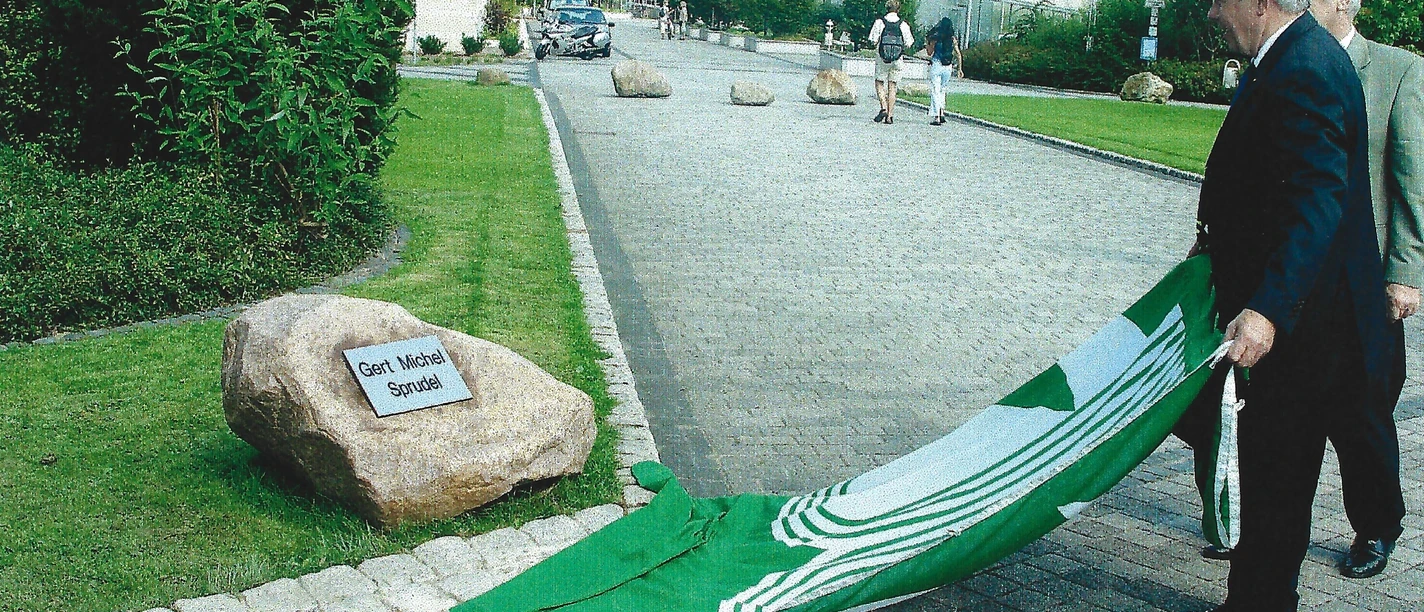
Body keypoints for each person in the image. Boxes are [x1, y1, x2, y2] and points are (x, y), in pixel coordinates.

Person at [1189, 0, 1393, 608]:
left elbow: (1317, 203)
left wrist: (1269, 308)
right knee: (1268, 476)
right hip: (1302, 315)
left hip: (1307, 331)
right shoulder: (1284, 56)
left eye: (1218, 2)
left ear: (1257, 2)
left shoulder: (1305, 65)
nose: (1210, 14)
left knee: (1277, 481)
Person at [1307, 0, 1423, 580]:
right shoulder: (1284, 62)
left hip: (1367, 280)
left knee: (1363, 411)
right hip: (1297, 276)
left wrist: (1406, 270)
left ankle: (1377, 526)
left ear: (1346, 2)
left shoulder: (1397, 69)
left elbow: (1413, 177)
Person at [868, 0, 913, 125]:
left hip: (882, 58)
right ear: (898, 10)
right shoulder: (903, 24)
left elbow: (872, 40)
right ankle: (890, 116)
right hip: (897, 59)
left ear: (886, 9)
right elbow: (909, 43)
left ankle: (883, 107)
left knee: (879, 82)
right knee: (892, 86)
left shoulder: (879, 22)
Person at [924, 16, 963, 126]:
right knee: (942, 90)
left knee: (935, 90)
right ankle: (942, 112)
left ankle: (937, 116)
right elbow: (958, 54)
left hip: (937, 64)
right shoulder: (952, 39)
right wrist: (960, 69)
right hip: (948, 66)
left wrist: (928, 44)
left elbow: (929, 53)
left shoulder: (936, 38)